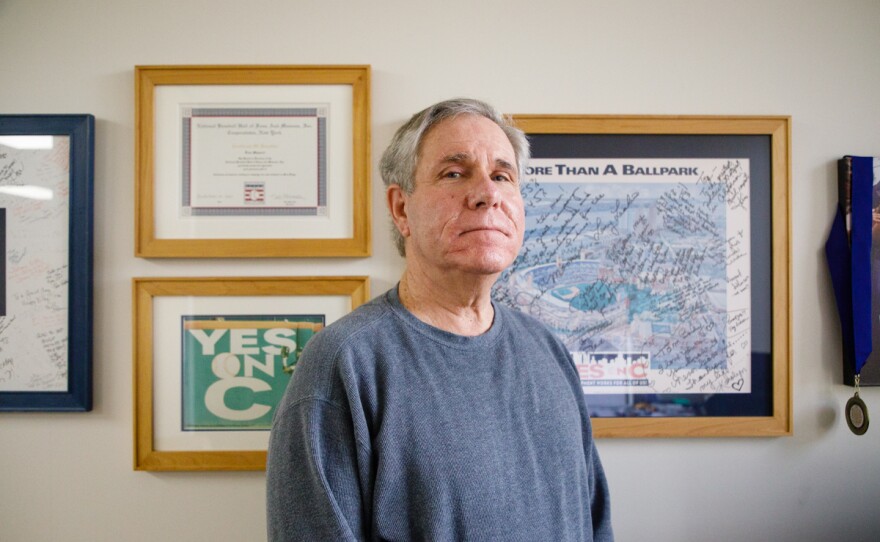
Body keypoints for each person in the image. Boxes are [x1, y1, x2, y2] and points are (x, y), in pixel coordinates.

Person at [266, 98, 613, 541]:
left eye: (503, 176)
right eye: (454, 173)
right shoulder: (344, 363)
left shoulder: (548, 349)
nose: (487, 193)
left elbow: (595, 523)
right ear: (401, 209)